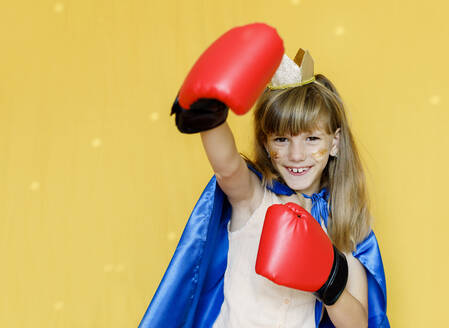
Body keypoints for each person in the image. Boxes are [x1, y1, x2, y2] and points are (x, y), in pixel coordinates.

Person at [139, 23, 389, 328]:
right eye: (282, 140)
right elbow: (228, 168)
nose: (296, 155)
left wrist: (329, 279)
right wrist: (209, 118)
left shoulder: (343, 234)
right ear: (266, 144)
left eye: (311, 139)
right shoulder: (254, 199)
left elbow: (358, 324)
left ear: (334, 143)